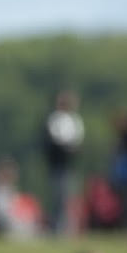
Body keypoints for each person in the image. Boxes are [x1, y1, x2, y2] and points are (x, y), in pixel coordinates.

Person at [41, 91, 84, 235]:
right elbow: (56, 140)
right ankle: (58, 227)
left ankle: (65, 226)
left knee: (67, 197)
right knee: (60, 196)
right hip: (58, 162)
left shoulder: (73, 120)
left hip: (69, 164)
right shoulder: (56, 119)